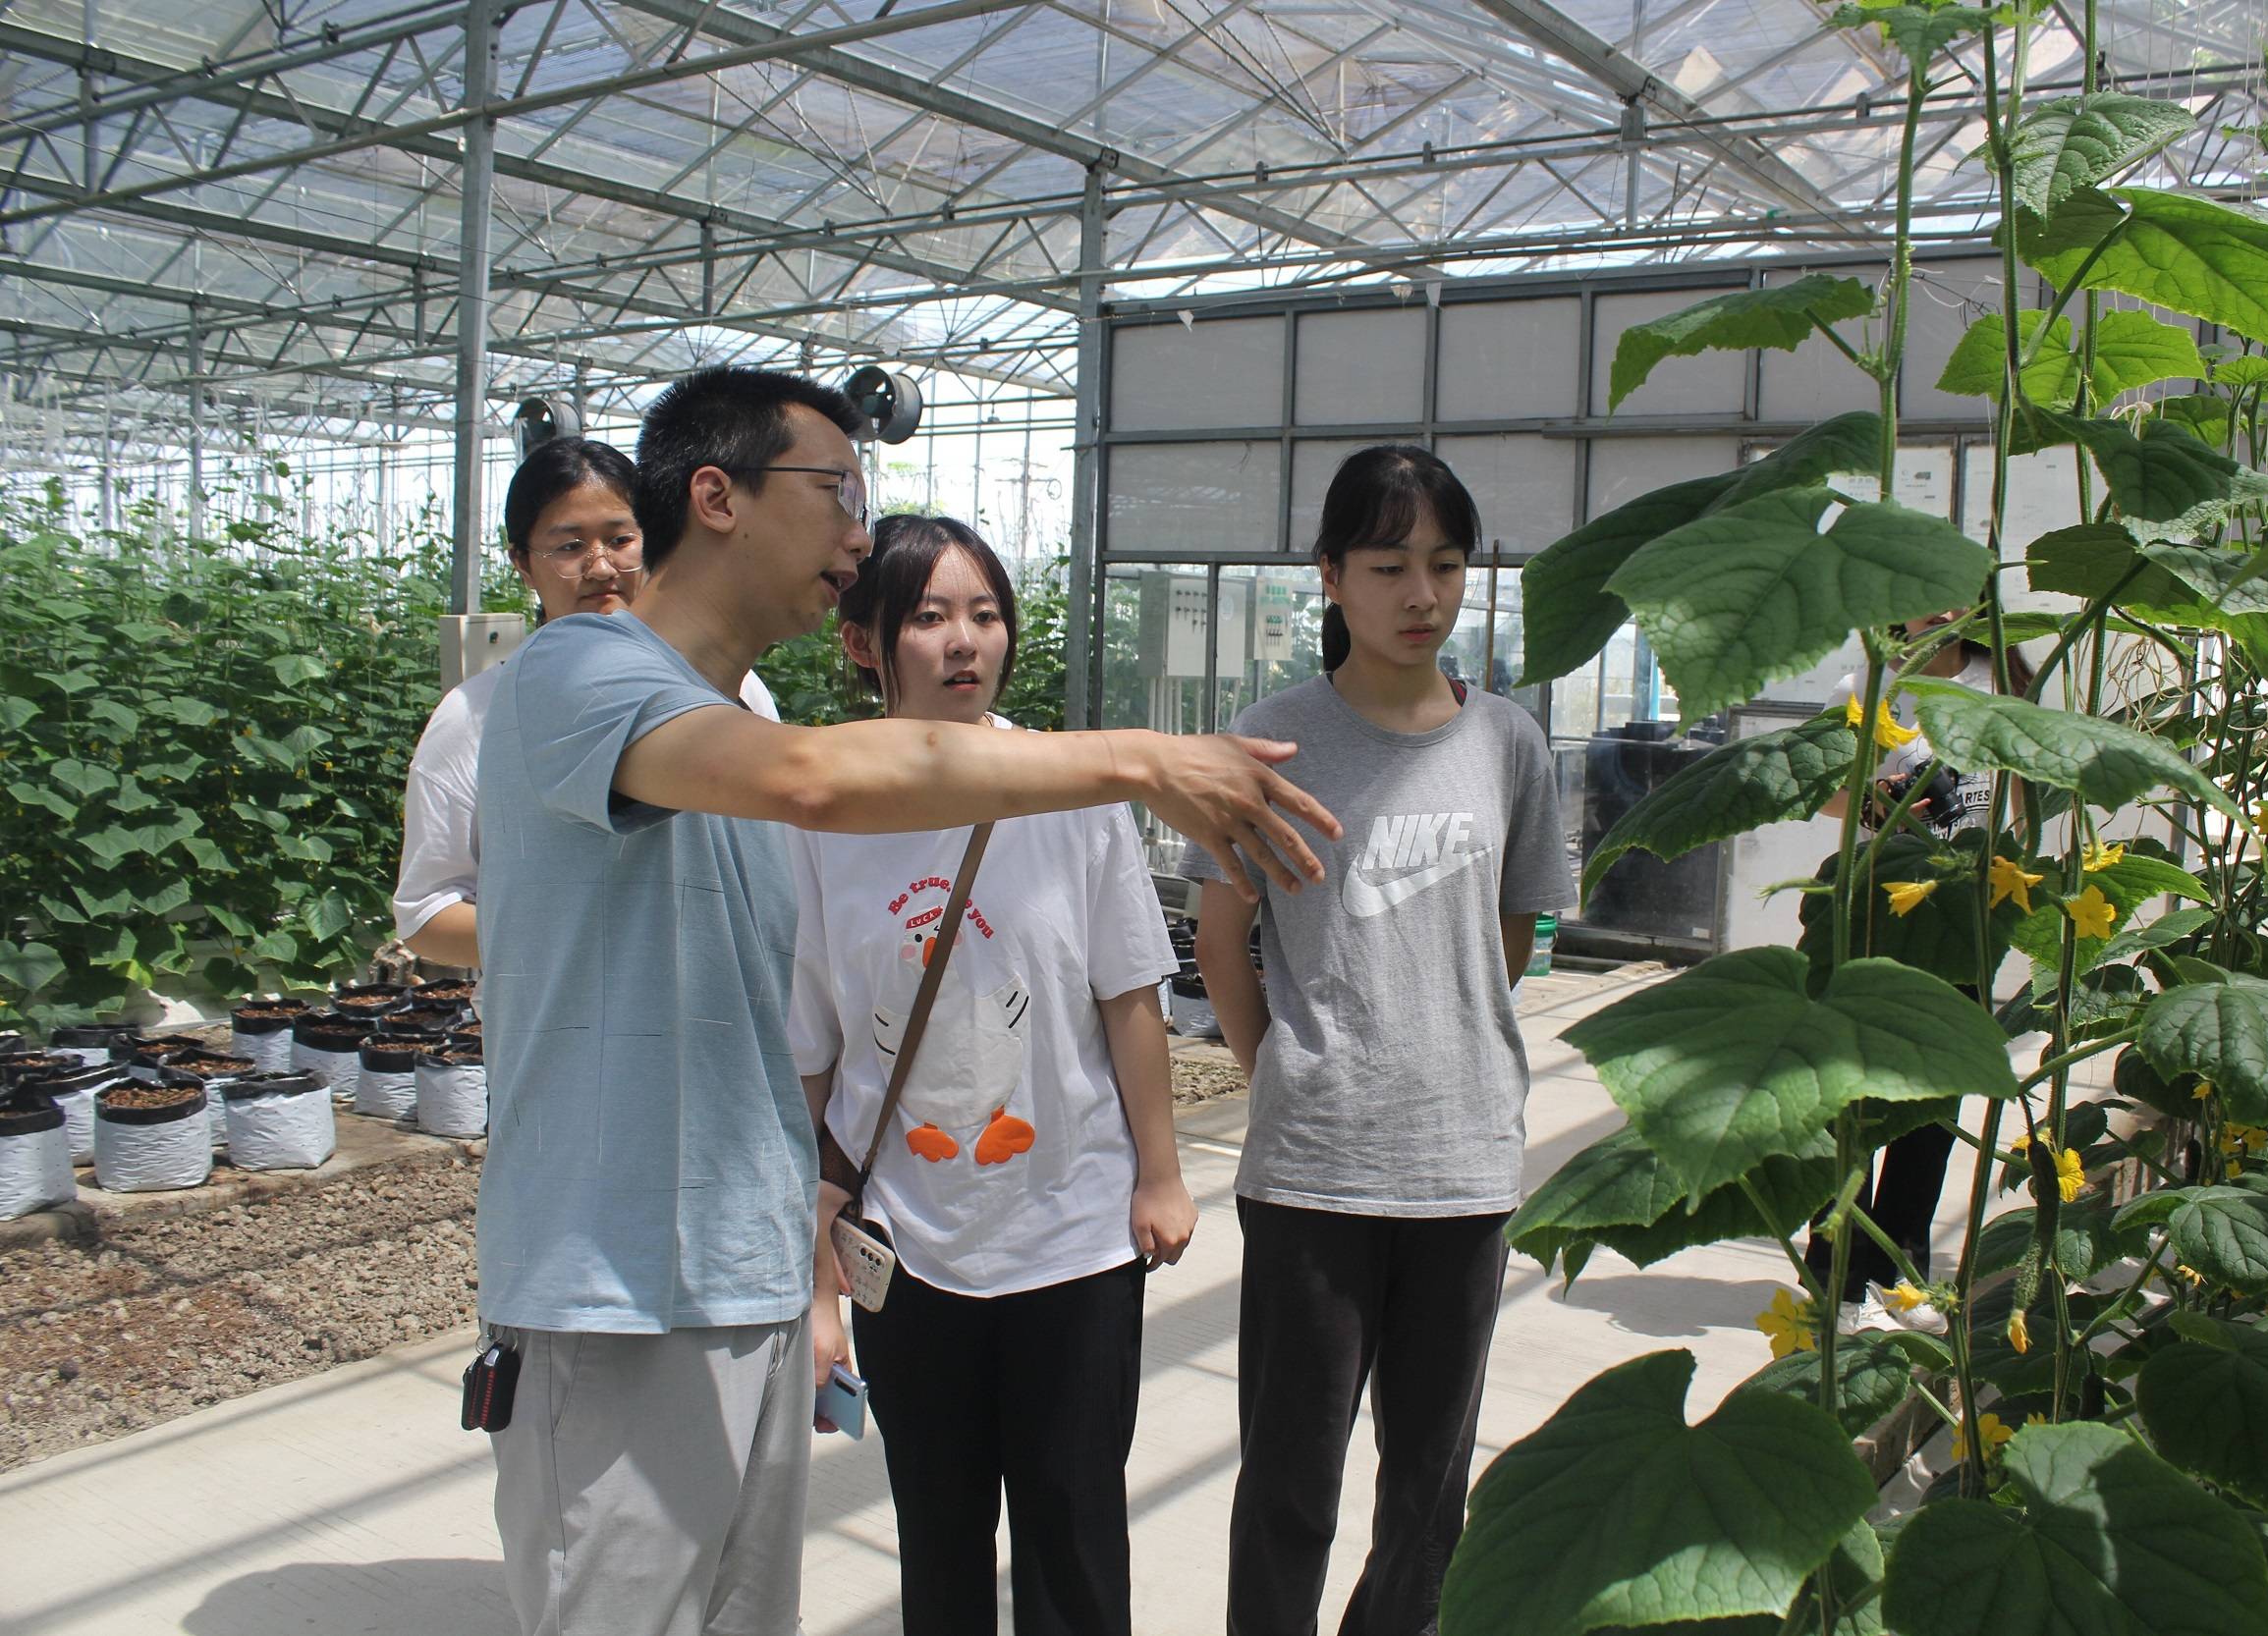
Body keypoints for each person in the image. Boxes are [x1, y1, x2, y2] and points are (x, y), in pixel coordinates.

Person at [472, 365, 1339, 1636]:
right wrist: (1141, 758)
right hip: (618, 1298)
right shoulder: (579, 675)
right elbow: (823, 783)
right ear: (716, 495)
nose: (858, 532)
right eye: (834, 490)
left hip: (743, 1286)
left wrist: (810, 1263)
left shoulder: (742, 710)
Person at [785, 515, 1194, 1636]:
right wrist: (812, 1256)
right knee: (941, 1539)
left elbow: (1127, 993)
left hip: (1069, 1232)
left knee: (1073, 1535)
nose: (966, 641)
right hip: (908, 1244)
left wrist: (1159, 1174)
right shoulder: (823, 811)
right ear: (865, 642)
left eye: (985, 614)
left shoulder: (1072, 789)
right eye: (928, 617)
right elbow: (812, 1042)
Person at [1189, 446, 1572, 1636]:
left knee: (1427, 1497)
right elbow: (1220, 940)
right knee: (1289, 1488)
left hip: (1462, 1166)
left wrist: (1440, 1038)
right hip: (1313, 1172)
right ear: (1330, 578)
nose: (1422, 594)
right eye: (1389, 564)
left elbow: (1509, 938)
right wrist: (1284, 1071)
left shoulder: (1507, 742)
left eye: (1446, 565)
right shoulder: (1269, 739)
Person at [390, 437, 780, 970]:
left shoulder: (736, 689)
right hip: (562, 1029)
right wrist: (582, 941)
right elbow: (427, 913)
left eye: (621, 539)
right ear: (523, 564)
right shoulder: (475, 715)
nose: (601, 568)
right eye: (569, 547)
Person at [1810, 608, 2032, 1326]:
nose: (1934, 619)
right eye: (1918, 605)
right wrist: (1883, 811)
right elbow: (1822, 790)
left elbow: (2024, 794)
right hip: (1878, 910)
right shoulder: (1868, 687)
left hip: (1964, 919)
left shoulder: (2000, 687)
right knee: (1851, 1100)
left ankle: (1900, 1275)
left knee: (1931, 1110)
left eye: (1949, 604)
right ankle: (1836, 1281)